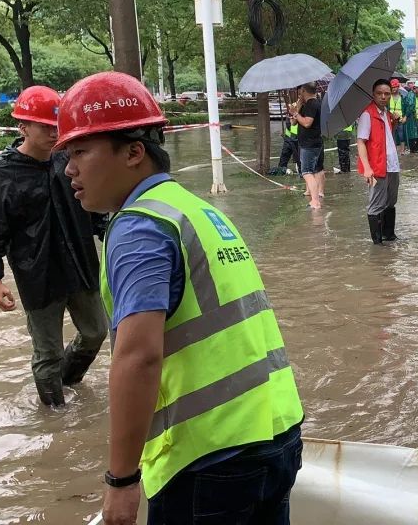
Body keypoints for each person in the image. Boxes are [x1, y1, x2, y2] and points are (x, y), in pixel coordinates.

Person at [56, 72, 304, 525]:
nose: (69, 168)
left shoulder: (139, 228)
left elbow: (138, 358)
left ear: (134, 152)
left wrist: (121, 480)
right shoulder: (196, 209)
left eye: (80, 152)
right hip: (277, 433)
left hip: (208, 457)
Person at [0, 85, 109, 407]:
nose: (54, 134)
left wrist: (114, 237)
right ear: (23, 127)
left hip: (81, 265)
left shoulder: (69, 159)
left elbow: (94, 209)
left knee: (95, 333)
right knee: (46, 352)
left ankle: (68, 382)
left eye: (58, 127)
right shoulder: (1, 173)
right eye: (46, 127)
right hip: (37, 274)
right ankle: (55, 414)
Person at [357, 79, 401, 244]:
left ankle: (389, 235)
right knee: (376, 204)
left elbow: (386, 138)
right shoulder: (367, 114)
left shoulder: (386, 114)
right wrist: (367, 168)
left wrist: (394, 123)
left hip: (392, 165)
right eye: (379, 93)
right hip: (377, 166)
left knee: (390, 201)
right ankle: (377, 244)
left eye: (387, 94)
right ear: (373, 94)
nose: (383, 96)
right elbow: (361, 141)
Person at [293, 83, 325, 209]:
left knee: (306, 171)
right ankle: (316, 198)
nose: (299, 93)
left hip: (310, 144)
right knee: (314, 170)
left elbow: (307, 123)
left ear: (303, 90)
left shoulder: (312, 104)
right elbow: (295, 122)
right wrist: (296, 110)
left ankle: (315, 201)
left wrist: (296, 114)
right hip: (310, 142)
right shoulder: (307, 104)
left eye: (300, 91)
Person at [389, 79, 406, 156]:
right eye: (392, 87)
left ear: (398, 87)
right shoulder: (388, 97)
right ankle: (394, 149)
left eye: (395, 87)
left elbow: (405, 108)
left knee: (401, 135)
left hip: (400, 119)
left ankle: (402, 150)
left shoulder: (402, 97)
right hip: (391, 119)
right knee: (392, 135)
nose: (393, 89)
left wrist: (405, 117)